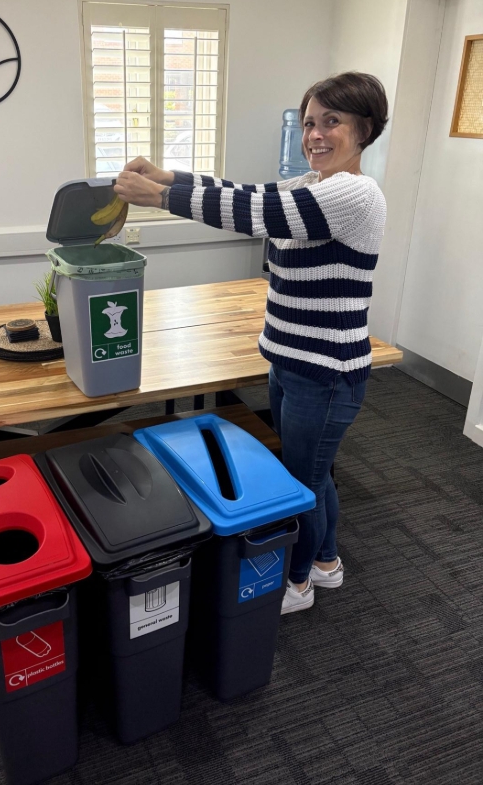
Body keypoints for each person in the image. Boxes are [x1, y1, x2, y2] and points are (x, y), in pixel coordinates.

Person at [114, 71, 388, 614]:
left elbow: (255, 215)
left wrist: (161, 196)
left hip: (326, 373)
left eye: (331, 122)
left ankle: (299, 582)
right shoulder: (312, 186)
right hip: (292, 361)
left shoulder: (354, 194)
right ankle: (326, 562)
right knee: (312, 472)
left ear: (365, 129)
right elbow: (245, 193)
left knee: (302, 481)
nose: (315, 134)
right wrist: (169, 175)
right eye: (310, 122)